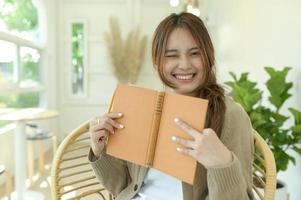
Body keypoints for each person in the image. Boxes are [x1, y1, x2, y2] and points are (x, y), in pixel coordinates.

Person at [88, 12, 254, 200]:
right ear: (157, 62)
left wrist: (222, 163)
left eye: (194, 53)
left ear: (208, 56)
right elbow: (123, 187)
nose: (184, 65)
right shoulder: (150, 109)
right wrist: (100, 151)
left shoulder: (230, 115)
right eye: (172, 55)